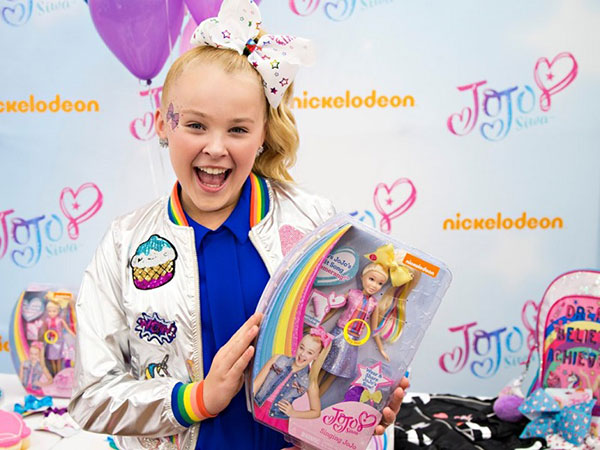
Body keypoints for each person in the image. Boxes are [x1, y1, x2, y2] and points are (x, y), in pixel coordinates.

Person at [68, 0, 408, 448]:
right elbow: (91, 396)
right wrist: (196, 399)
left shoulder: (315, 223)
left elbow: (345, 350)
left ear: (263, 133)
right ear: (163, 124)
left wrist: (357, 405)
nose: (215, 148)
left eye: (238, 129)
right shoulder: (124, 243)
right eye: (195, 125)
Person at [253, 329, 331, 433]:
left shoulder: (310, 381)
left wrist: (293, 413)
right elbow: (256, 384)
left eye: (309, 352)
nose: (303, 354)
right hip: (256, 405)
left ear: (316, 356)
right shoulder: (278, 359)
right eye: (301, 348)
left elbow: (316, 412)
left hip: (278, 419)